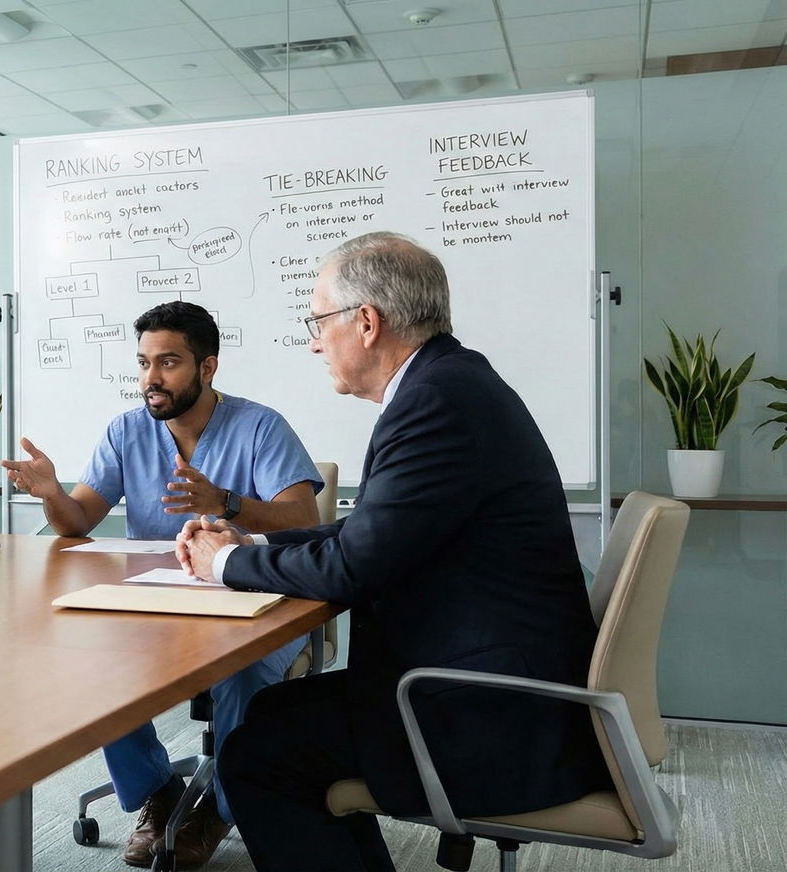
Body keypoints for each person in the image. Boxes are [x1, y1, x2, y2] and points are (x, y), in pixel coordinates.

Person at [177, 232, 608, 871]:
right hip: (484, 677)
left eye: (318, 320)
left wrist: (224, 565)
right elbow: (370, 535)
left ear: (367, 322)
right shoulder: (448, 384)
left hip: (486, 710)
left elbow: (354, 567)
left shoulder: (437, 401)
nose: (314, 340)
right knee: (270, 714)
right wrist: (253, 541)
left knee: (256, 754)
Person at [1, 301, 321, 869]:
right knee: (96, 663)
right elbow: (77, 524)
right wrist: (52, 492)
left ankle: (223, 804)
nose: (152, 378)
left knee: (243, 672)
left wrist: (225, 503)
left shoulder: (260, 426)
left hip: (255, 598)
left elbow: (304, 519)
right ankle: (156, 790)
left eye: (168, 362)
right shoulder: (126, 431)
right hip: (155, 604)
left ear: (208, 367)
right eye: (144, 363)